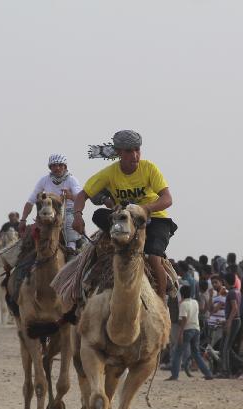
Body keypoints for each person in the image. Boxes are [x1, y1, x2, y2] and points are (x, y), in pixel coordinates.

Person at [73, 130, 175, 300]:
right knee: (98, 215)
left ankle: (162, 299)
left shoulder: (149, 168)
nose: (135, 155)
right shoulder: (109, 173)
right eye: (129, 151)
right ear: (119, 152)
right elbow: (83, 195)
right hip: (125, 220)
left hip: (155, 218)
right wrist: (77, 216)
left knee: (154, 256)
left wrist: (145, 209)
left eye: (137, 150)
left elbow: (167, 198)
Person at [21, 154, 82, 250]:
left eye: (60, 165)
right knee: (31, 234)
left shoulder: (72, 180)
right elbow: (31, 201)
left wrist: (70, 196)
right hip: (49, 211)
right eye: (54, 165)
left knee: (70, 225)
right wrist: (23, 219)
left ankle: (72, 250)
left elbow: (80, 198)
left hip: (68, 211)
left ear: (65, 167)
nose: (57, 168)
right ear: (50, 167)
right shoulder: (44, 180)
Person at [166, 285, 214, 381]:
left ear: (182, 294)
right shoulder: (195, 302)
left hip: (187, 329)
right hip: (196, 329)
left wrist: (180, 334)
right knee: (196, 353)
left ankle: (174, 375)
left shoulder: (183, 304)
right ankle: (208, 373)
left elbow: (183, 319)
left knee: (178, 352)